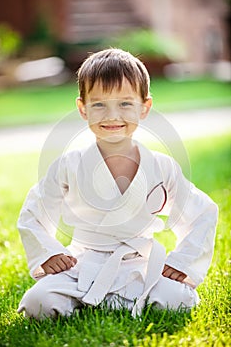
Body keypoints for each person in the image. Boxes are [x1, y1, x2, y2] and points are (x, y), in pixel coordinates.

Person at [17, 48, 218, 319]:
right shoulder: (69, 165)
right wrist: (49, 253)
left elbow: (203, 212)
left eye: (125, 104)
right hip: (82, 263)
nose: (112, 116)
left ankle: (102, 302)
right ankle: (84, 298)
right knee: (37, 303)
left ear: (144, 108)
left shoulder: (161, 166)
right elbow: (34, 213)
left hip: (140, 264)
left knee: (176, 300)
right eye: (99, 104)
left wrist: (182, 262)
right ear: (82, 109)